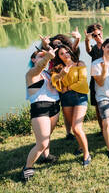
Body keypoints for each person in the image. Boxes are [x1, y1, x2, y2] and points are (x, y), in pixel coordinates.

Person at [22, 47, 60, 181]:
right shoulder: (32, 73)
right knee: (42, 143)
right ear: (34, 59)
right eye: (40, 55)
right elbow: (40, 65)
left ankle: (46, 156)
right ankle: (28, 167)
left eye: (45, 55)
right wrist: (47, 57)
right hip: (40, 108)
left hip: (54, 106)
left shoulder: (48, 73)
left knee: (47, 135)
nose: (44, 57)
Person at [51, 45, 91, 166]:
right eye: (61, 54)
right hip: (66, 99)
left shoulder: (79, 64)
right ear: (59, 57)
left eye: (66, 51)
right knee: (74, 128)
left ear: (70, 52)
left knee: (76, 127)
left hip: (80, 96)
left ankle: (86, 154)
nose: (65, 54)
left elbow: (82, 82)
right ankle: (80, 146)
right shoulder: (58, 68)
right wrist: (62, 74)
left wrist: (67, 87)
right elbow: (54, 81)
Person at [83, 23, 109, 136]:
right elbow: (87, 49)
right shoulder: (94, 49)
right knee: (98, 106)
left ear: (102, 32)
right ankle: (103, 130)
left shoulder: (108, 45)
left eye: (99, 34)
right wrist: (86, 40)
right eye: (94, 36)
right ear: (92, 37)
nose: (98, 36)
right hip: (97, 80)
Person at [40, 30, 81, 140]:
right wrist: (45, 44)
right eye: (55, 43)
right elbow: (46, 51)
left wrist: (78, 38)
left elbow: (75, 47)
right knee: (65, 108)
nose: (57, 45)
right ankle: (68, 132)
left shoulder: (68, 54)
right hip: (57, 84)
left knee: (72, 108)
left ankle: (73, 131)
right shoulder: (53, 55)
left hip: (72, 86)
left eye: (59, 43)